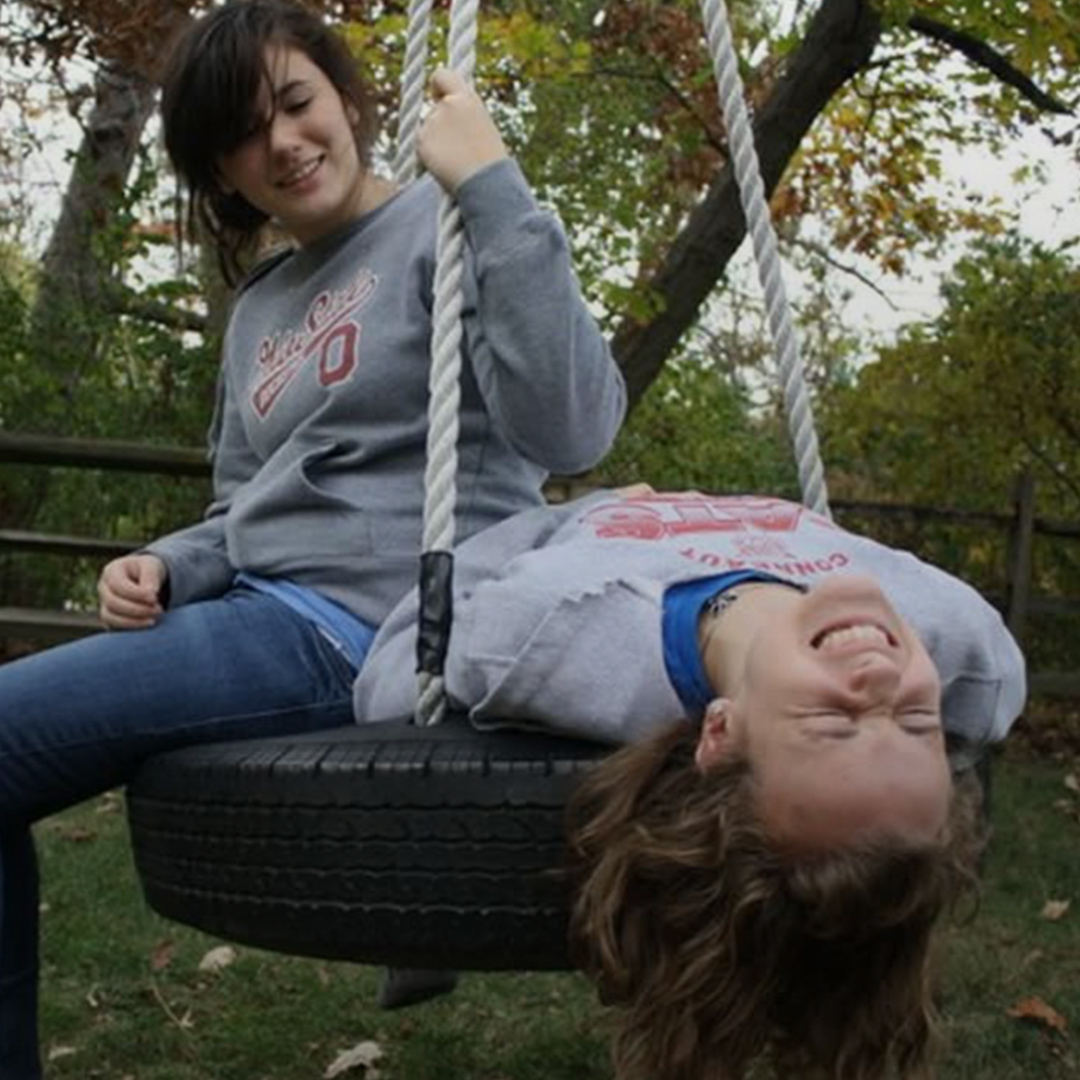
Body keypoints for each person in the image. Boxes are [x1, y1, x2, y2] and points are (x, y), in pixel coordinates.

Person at [0, 1, 625, 1074]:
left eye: (296, 102)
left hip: (367, 626)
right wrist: (171, 563)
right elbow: (240, 509)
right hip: (265, 615)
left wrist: (492, 185)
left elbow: (572, 429)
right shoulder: (261, 308)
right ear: (221, 175)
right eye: (245, 135)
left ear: (345, 97)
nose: (283, 142)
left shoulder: (452, 223)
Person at [353, 485, 1026, 1080]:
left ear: (720, 734)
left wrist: (583, 511)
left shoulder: (542, 639)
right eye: (916, 720)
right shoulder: (967, 651)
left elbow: (398, 669)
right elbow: (990, 692)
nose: (881, 676)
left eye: (835, 720)